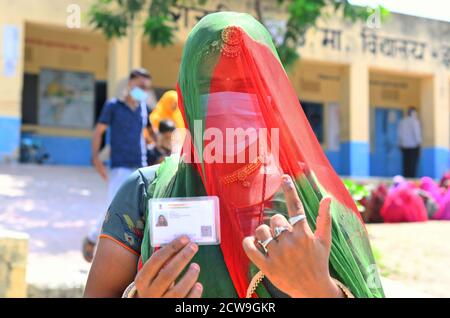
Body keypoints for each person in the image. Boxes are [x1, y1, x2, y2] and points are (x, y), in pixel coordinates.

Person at [84, 12, 384, 298]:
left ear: (270, 94)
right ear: (185, 96)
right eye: (209, 86)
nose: (226, 100)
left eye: (244, 85)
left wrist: (319, 289)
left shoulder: (317, 207)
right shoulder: (143, 195)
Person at [82, 68, 152, 262]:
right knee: (114, 207)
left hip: (141, 164)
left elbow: (145, 134)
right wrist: (96, 158)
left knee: (142, 208)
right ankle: (92, 239)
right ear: (130, 83)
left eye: (146, 87)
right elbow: (99, 132)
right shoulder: (113, 106)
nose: (143, 90)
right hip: (120, 166)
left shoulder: (143, 107)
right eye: (140, 85)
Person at [398, 106, 422, 178]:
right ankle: (412, 178)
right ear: (414, 113)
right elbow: (416, 134)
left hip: (404, 146)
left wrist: (400, 144)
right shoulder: (415, 121)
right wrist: (419, 143)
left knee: (406, 163)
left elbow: (400, 134)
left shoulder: (402, 121)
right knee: (412, 164)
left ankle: (405, 177)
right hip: (413, 146)